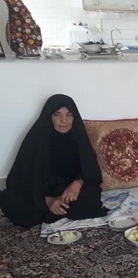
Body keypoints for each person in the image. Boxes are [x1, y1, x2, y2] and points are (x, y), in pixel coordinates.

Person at [0, 94, 108, 228]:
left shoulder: (78, 137)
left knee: (91, 196)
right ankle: (55, 208)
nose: (64, 121)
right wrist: (47, 200)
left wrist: (77, 183)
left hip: (68, 189)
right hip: (40, 190)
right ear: (49, 116)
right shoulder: (36, 139)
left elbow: (92, 171)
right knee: (8, 198)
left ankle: (55, 210)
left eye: (69, 115)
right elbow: (18, 179)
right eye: (57, 115)